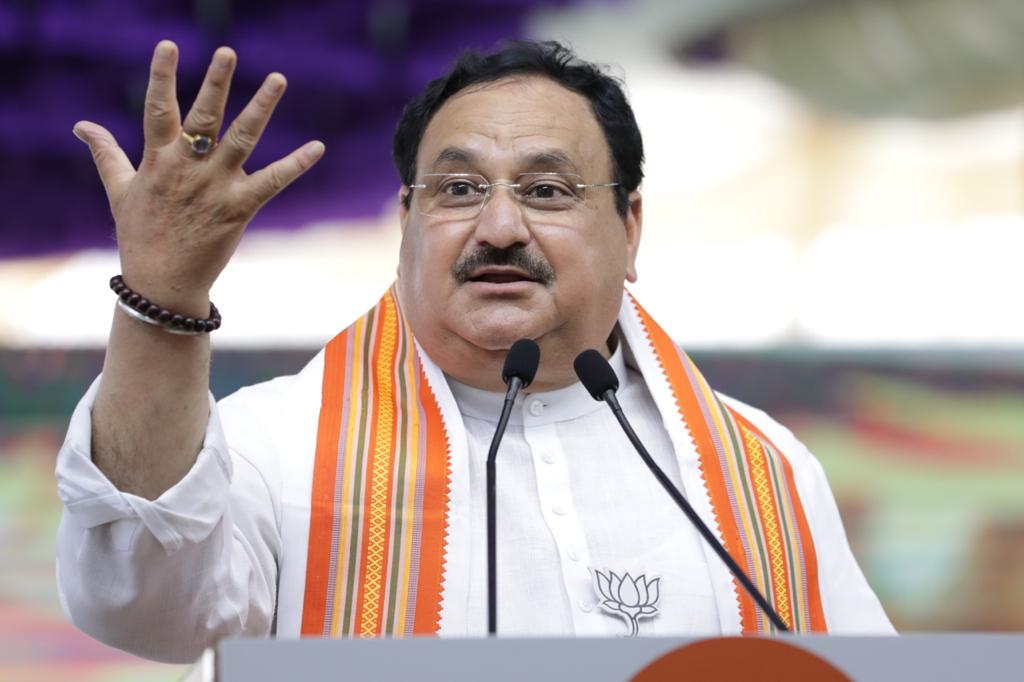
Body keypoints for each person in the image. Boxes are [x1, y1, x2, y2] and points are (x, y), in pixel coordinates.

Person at [56, 39, 893, 664]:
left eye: (547, 190)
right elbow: (134, 605)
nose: (498, 227)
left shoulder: (764, 470)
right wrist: (161, 301)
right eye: (458, 189)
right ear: (407, 225)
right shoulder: (278, 445)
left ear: (629, 228)